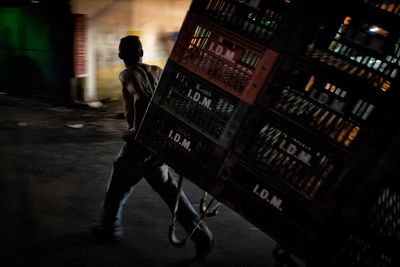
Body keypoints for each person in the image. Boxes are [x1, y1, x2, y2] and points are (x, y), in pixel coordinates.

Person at [91, 35, 214, 260]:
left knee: (117, 187)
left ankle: (110, 230)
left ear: (120, 56)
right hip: (158, 143)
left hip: (139, 146)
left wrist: (136, 130)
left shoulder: (127, 73)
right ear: (141, 53)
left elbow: (141, 97)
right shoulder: (156, 70)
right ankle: (201, 236)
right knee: (169, 191)